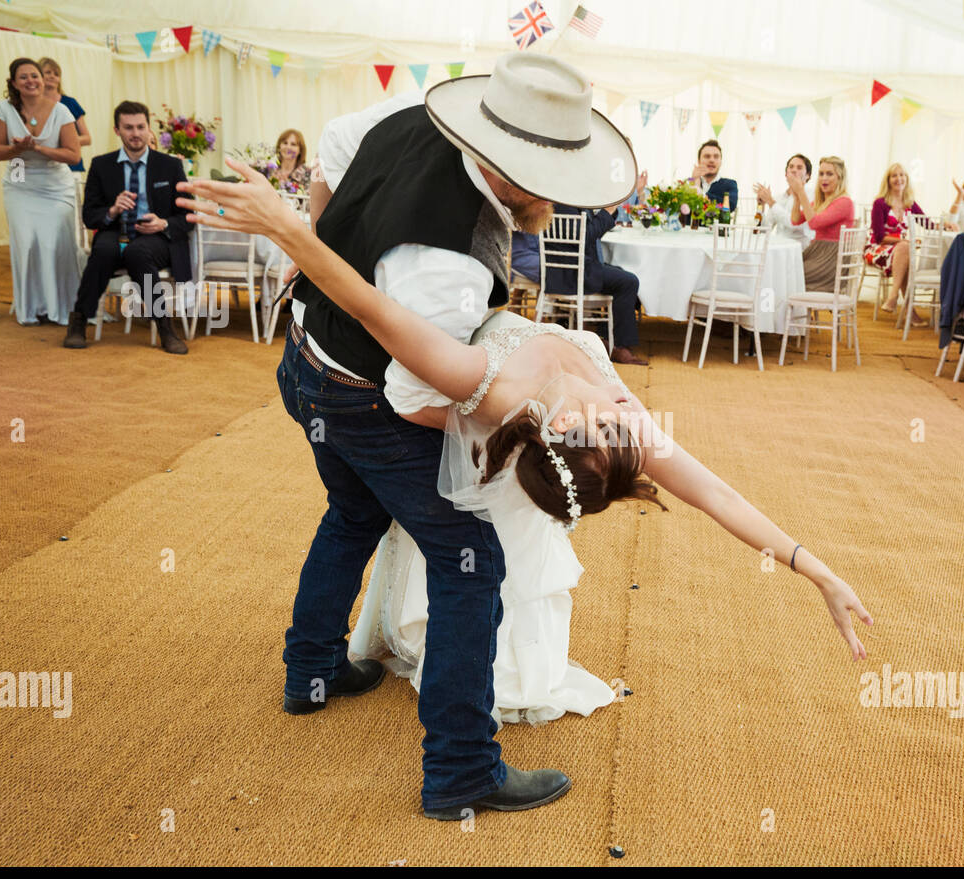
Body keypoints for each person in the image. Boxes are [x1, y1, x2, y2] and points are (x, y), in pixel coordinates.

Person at [179, 125, 873, 823]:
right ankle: (388, 720)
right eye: (624, 422)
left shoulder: (495, 385)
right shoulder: (588, 405)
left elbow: (375, 314)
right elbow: (713, 493)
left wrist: (287, 227)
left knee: (396, 530)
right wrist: (816, 569)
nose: (631, 411)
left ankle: (379, 716)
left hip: (332, 373)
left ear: (565, 426)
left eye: (615, 423)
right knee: (416, 539)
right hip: (341, 380)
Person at [182, 54, 640, 822]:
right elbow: (414, 394)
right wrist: (522, 414)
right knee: (471, 563)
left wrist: (318, 245)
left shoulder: (412, 112)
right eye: (556, 185)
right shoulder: (446, 263)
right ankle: (461, 770)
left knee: (352, 512)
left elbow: (333, 143)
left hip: (305, 353)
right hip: (365, 395)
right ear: (518, 174)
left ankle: (313, 670)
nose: (562, 201)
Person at [64, 100, 194, 352]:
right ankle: (78, 323)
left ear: (148, 129)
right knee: (103, 250)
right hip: (117, 232)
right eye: (128, 127)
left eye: (140, 127)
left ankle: (165, 328)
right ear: (117, 130)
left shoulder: (170, 166)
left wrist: (163, 223)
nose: (135, 133)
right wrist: (113, 210)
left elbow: (187, 215)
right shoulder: (101, 165)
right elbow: (90, 216)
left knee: (138, 252)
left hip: (156, 238)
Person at [0, 58, 83, 326]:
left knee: (54, 243)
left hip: (56, 185)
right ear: (14, 83)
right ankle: (34, 306)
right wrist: (17, 149)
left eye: (35, 75)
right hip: (19, 180)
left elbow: (74, 155)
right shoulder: (4, 109)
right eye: (24, 77)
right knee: (27, 243)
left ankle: (61, 305)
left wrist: (39, 148)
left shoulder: (61, 111)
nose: (31, 81)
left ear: (42, 79)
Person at [544, 202, 646, 366]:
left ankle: (606, 338)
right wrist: (606, 212)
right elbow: (585, 236)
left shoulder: (564, 202)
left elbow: (590, 232)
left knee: (622, 274)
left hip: (569, 270)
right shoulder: (564, 206)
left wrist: (609, 213)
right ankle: (619, 347)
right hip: (572, 274)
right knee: (629, 281)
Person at [865, 162, 926, 314]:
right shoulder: (880, 203)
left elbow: (927, 223)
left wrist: (946, 225)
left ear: (907, 178)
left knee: (905, 251)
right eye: (894, 176)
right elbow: (879, 237)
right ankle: (902, 304)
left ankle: (896, 302)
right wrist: (905, 241)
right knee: (906, 249)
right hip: (876, 249)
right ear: (888, 180)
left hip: (899, 250)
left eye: (902, 175)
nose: (899, 178)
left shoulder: (910, 203)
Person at [788, 155, 856, 290]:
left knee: (789, 276)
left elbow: (814, 223)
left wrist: (801, 191)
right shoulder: (823, 202)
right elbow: (795, 220)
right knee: (786, 271)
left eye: (829, 174)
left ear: (840, 178)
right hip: (817, 253)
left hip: (831, 259)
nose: (824, 178)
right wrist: (797, 197)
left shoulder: (844, 202)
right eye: (821, 174)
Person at [38, 57, 90, 173]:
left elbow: (87, 138)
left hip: (70, 167)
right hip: (42, 166)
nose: (52, 76)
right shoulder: (33, 104)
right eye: (48, 72)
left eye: (56, 74)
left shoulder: (70, 103)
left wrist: (66, 141)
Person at [754, 153, 813, 249]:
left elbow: (794, 224)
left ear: (808, 175)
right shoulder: (779, 198)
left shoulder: (810, 195)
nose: (794, 170)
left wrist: (771, 202)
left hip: (798, 250)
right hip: (778, 247)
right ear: (786, 174)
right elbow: (764, 230)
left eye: (799, 168)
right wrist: (761, 206)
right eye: (791, 167)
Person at [688, 139, 738, 212]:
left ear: (721, 161)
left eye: (716, 157)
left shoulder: (730, 184)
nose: (712, 160)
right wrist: (694, 181)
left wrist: (700, 193)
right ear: (699, 161)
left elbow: (729, 206)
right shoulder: (688, 183)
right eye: (707, 156)